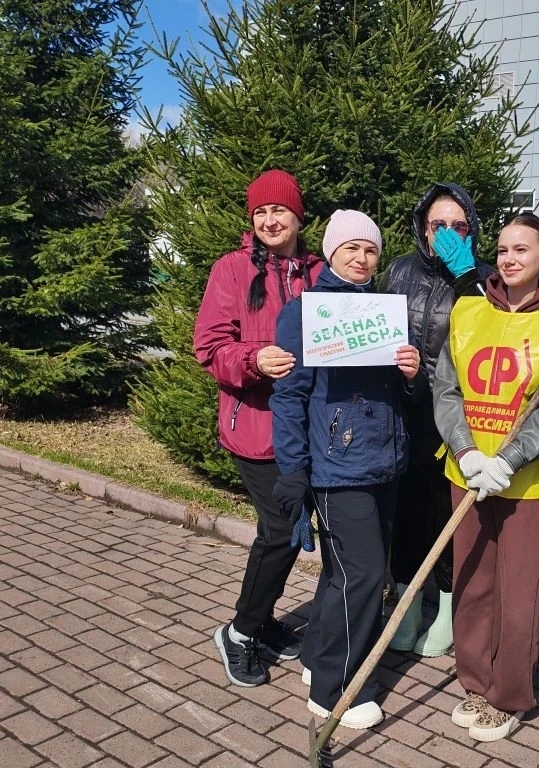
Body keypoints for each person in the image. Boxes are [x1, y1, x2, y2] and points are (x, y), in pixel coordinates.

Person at [433, 212, 539, 742]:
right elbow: (446, 389)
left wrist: (510, 459)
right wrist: (466, 452)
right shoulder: (468, 311)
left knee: (519, 592)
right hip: (468, 472)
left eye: (522, 249)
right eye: (502, 250)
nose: (509, 259)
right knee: (473, 583)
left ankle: (509, 696)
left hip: (528, 481)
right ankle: (476, 683)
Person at [270, 209, 422, 728]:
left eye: (370, 249)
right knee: (365, 574)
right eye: (351, 248)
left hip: (386, 461)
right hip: (337, 466)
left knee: (342, 572)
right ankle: (337, 691)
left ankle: (318, 657)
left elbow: (400, 394)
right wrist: (294, 468)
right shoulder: (305, 313)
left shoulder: (385, 311)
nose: (361, 258)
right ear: (331, 252)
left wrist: (410, 375)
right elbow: (289, 395)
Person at [196, 169, 323, 687]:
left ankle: (263, 621)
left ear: (298, 216)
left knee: (291, 531)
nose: (270, 221)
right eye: (261, 212)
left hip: (310, 432)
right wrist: (253, 360)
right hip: (255, 428)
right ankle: (241, 632)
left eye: (279, 210)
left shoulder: (320, 271)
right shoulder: (231, 269)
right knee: (282, 530)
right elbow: (209, 346)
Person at [383, 183, 494, 657]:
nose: (447, 233)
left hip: (456, 417)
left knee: (448, 515)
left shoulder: (484, 277)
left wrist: (466, 275)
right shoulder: (399, 270)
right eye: (438, 224)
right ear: (423, 228)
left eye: (458, 226)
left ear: (471, 231)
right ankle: (406, 607)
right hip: (404, 411)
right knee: (407, 516)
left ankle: (448, 609)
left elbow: (493, 336)